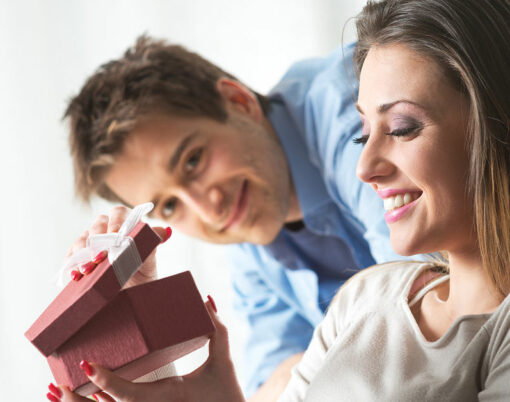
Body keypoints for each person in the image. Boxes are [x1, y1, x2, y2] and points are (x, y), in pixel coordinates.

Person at [48, 0, 510, 400]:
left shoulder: (353, 93)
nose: (208, 208)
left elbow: (470, 282)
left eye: (192, 161)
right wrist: (149, 352)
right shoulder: (267, 249)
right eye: (169, 207)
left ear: (237, 100)